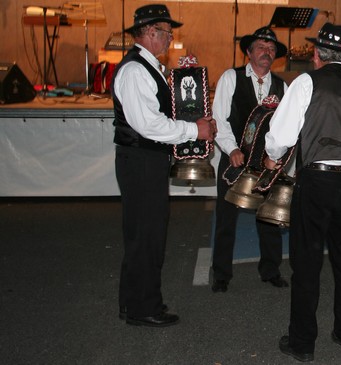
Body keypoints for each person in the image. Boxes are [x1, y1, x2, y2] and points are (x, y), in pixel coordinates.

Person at [263, 23, 341, 362]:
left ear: (316, 54)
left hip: (316, 181)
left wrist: (271, 158)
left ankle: (302, 342)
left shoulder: (306, 82)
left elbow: (281, 134)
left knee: (307, 263)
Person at [112, 4, 217, 327]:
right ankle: (144, 308)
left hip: (145, 160)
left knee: (145, 233)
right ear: (149, 33)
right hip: (141, 160)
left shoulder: (148, 67)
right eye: (167, 33)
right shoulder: (134, 71)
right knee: (147, 234)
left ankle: (135, 302)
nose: (171, 39)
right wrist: (193, 130)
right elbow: (149, 124)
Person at [211, 26, 289, 293]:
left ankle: (270, 270)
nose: (266, 52)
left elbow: (286, 126)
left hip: (267, 163)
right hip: (235, 158)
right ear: (249, 51)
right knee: (226, 217)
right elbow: (219, 119)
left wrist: (277, 158)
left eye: (271, 49)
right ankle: (221, 273)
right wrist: (231, 149)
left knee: (269, 217)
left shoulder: (282, 86)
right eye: (261, 47)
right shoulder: (230, 78)